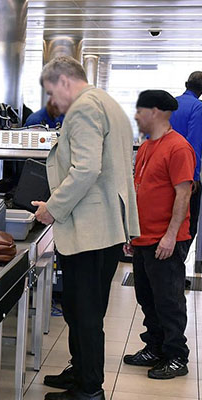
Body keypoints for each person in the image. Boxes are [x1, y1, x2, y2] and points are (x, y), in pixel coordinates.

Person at [31, 56, 139, 400]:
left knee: (86, 312)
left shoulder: (82, 108)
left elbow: (85, 169)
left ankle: (89, 390)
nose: (54, 102)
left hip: (91, 229)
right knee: (80, 307)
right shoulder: (107, 102)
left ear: (64, 81)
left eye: (52, 92)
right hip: (106, 225)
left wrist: (53, 208)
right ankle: (80, 373)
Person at [123, 90, 193, 380]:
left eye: (140, 111)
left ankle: (177, 356)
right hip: (143, 237)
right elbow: (140, 190)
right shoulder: (148, 146)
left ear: (156, 112)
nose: (137, 116)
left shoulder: (178, 147)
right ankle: (155, 347)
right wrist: (131, 233)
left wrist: (170, 236)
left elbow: (184, 193)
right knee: (147, 298)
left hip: (166, 239)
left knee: (169, 300)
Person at [169, 71, 202, 240]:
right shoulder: (198, 108)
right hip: (184, 176)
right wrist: (193, 176)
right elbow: (194, 143)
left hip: (163, 174)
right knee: (187, 226)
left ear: (186, 84)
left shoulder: (170, 104)